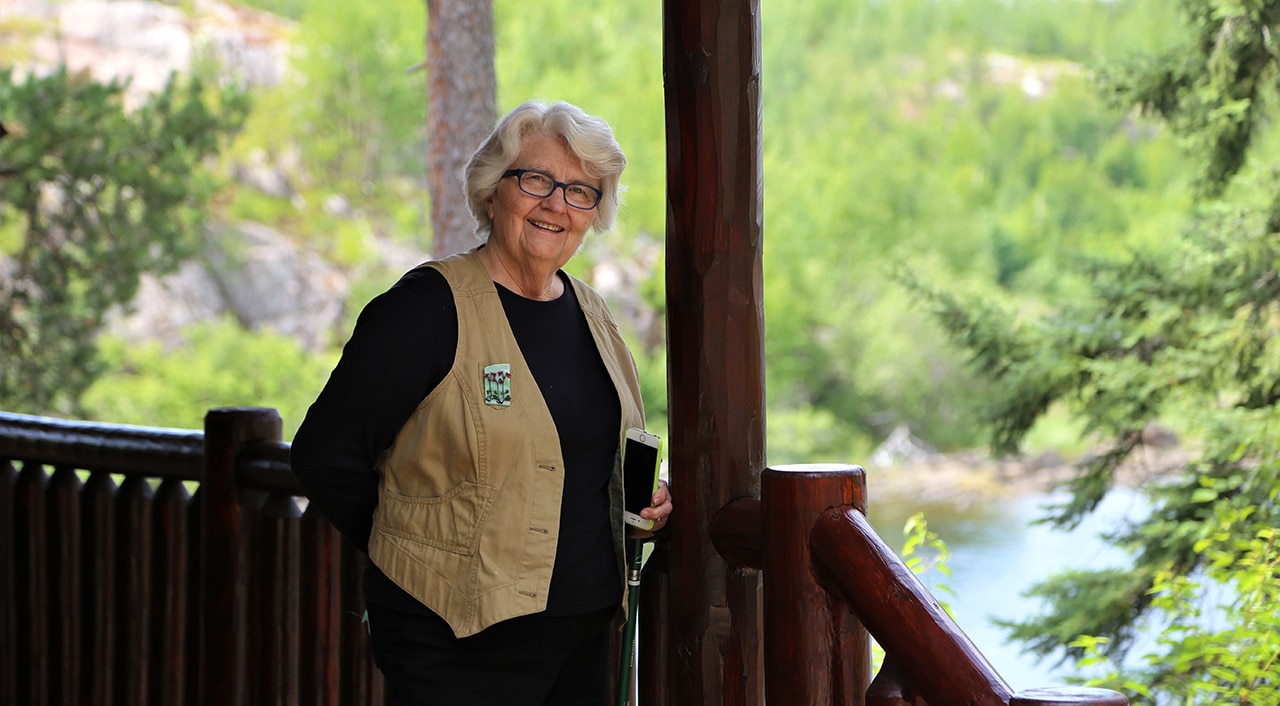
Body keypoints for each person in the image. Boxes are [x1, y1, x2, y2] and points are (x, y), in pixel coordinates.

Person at [290, 100, 673, 706]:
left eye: (581, 191)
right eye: (537, 180)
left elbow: (592, 454)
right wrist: (418, 549)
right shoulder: (426, 309)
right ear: (493, 190)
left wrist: (646, 498)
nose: (556, 204)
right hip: (455, 647)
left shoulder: (595, 314)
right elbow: (323, 455)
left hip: (584, 641)